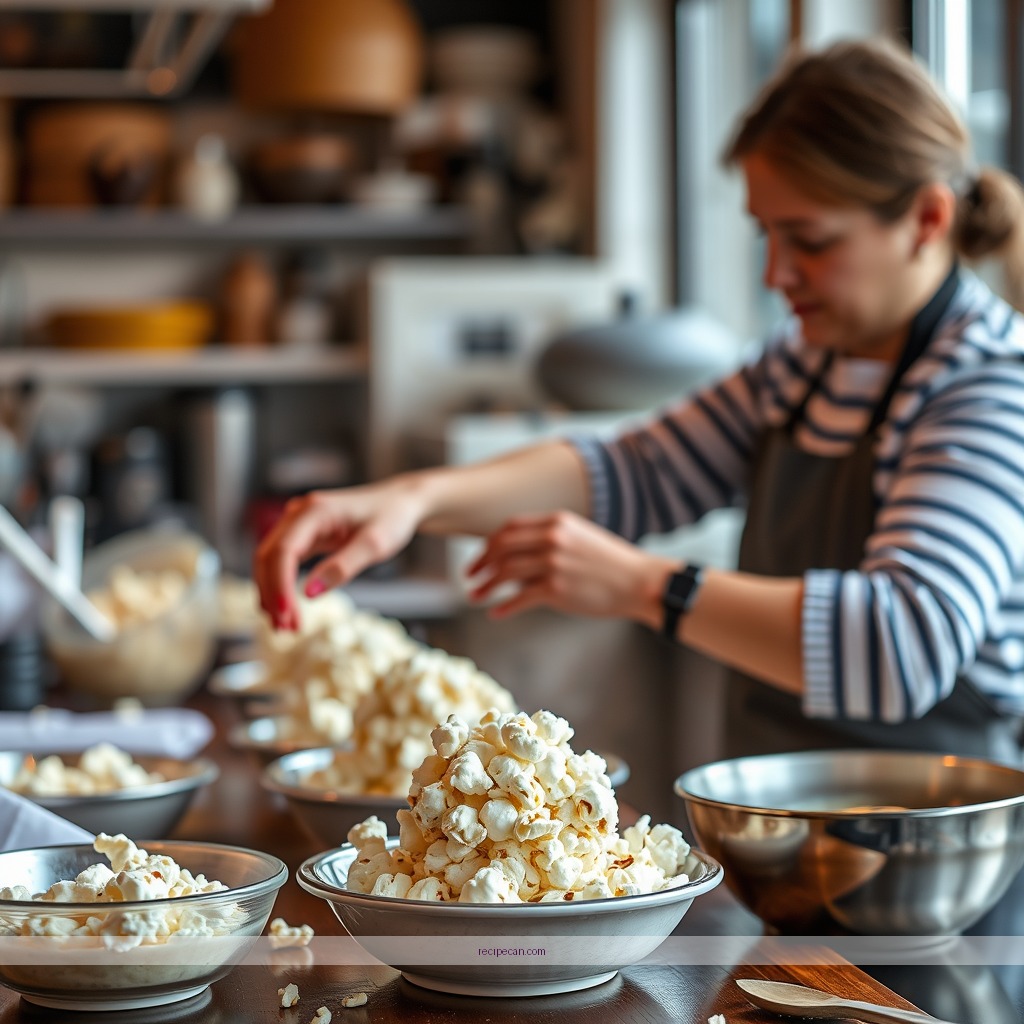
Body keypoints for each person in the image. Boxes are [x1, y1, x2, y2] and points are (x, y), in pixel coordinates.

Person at [255, 38, 1024, 763]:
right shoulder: (806, 366)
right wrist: (412, 500)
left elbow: (902, 645)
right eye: (766, 237)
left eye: (811, 241)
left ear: (927, 219)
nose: (776, 275)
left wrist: (643, 585)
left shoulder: (989, 384)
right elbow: (635, 470)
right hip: (792, 837)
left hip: (944, 866)